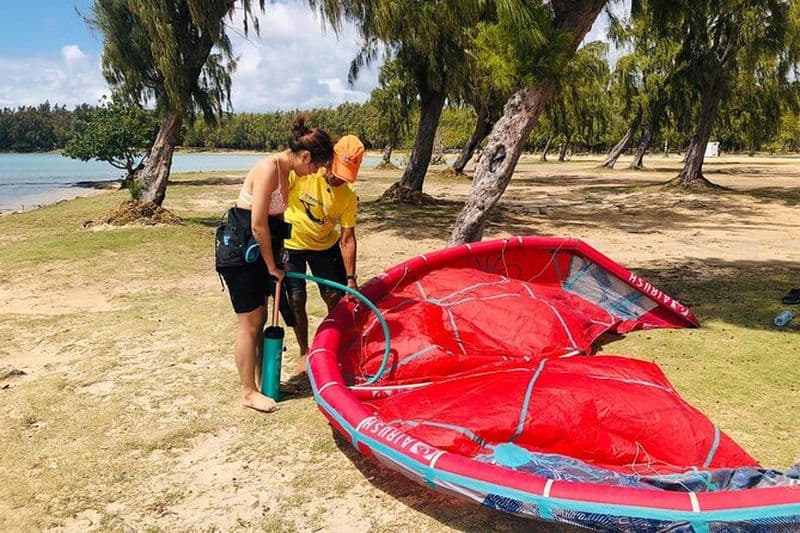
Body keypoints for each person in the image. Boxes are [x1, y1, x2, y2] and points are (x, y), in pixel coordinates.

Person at [217, 115, 334, 413]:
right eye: (316, 165)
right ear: (305, 156)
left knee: (261, 320)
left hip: (261, 250)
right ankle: (248, 392)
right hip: (242, 251)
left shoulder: (288, 172)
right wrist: (272, 266)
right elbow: (257, 224)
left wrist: (277, 258)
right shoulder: (269, 168)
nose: (315, 172)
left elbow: (275, 219)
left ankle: (264, 385)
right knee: (250, 324)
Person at [283, 135, 365, 376]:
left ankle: (335, 349)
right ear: (329, 159)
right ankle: (304, 351)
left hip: (325, 246)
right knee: (296, 299)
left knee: (335, 297)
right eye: (336, 171)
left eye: (345, 175)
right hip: (292, 244)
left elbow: (347, 238)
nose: (338, 179)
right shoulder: (306, 170)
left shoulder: (347, 195)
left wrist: (351, 278)